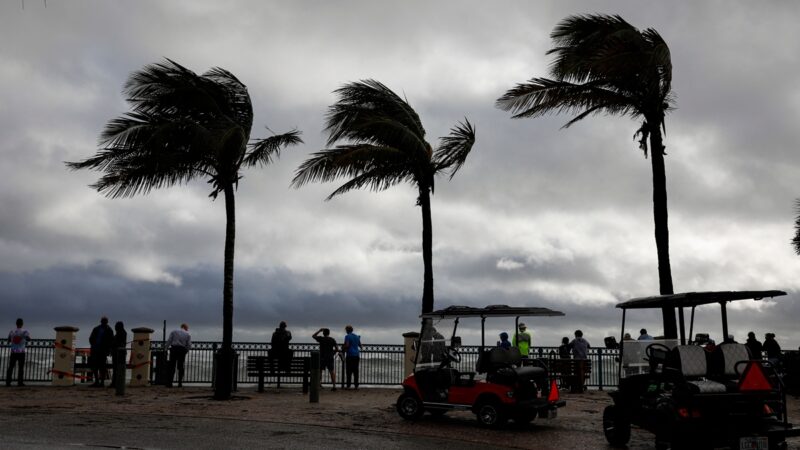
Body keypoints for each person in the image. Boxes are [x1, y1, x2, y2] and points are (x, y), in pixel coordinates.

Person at [88, 316, 114, 387]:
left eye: (104, 321)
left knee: (102, 367)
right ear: (101, 321)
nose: (104, 323)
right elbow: (91, 338)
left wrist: (108, 350)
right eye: (103, 321)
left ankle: (101, 382)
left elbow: (111, 341)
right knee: (95, 366)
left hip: (102, 351)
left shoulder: (109, 330)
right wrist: (93, 346)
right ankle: (97, 381)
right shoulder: (96, 329)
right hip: (95, 350)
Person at [6, 318, 31, 387]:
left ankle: (8, 382)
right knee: (21, 367)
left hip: (13, 351)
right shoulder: (25, 331)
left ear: (16, 324)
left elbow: (8, 340)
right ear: (22, 324)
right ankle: (20, 382)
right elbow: (28, 339)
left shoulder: (12, 331)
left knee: (11, 367)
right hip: (21, 352)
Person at [166, 323, 191, 387]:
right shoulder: (187, 334)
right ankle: (180, 383)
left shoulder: (174, 331)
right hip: (182, 350)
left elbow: (169, 341)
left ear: (181, 326)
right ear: (185, 327)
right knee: (180, 366)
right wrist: (186, 351)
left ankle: (170, 383)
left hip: (174, 349)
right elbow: (189, 345)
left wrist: (165, 348)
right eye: (187, 328)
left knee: (172, 366)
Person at [108, 321, 127, 389]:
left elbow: (117, 343)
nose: (115, 327)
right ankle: (116, 383)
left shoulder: (120, 333)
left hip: (118, 353)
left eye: (116, 326)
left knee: (117, 368)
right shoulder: (122, 333)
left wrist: (112, 347)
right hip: (118, 352)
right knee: (117, 369)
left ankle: (115, 383)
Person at [342, 325, 361, 389]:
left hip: (350, 355)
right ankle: (356, 385)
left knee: (349, 371)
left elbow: (347, 345)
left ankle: (348, 385)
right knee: (356, 371)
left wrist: (343, 347)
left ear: (347, 330)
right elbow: (360, 346)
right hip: (356, 355)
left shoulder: (347, 336)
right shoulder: (357, 336)